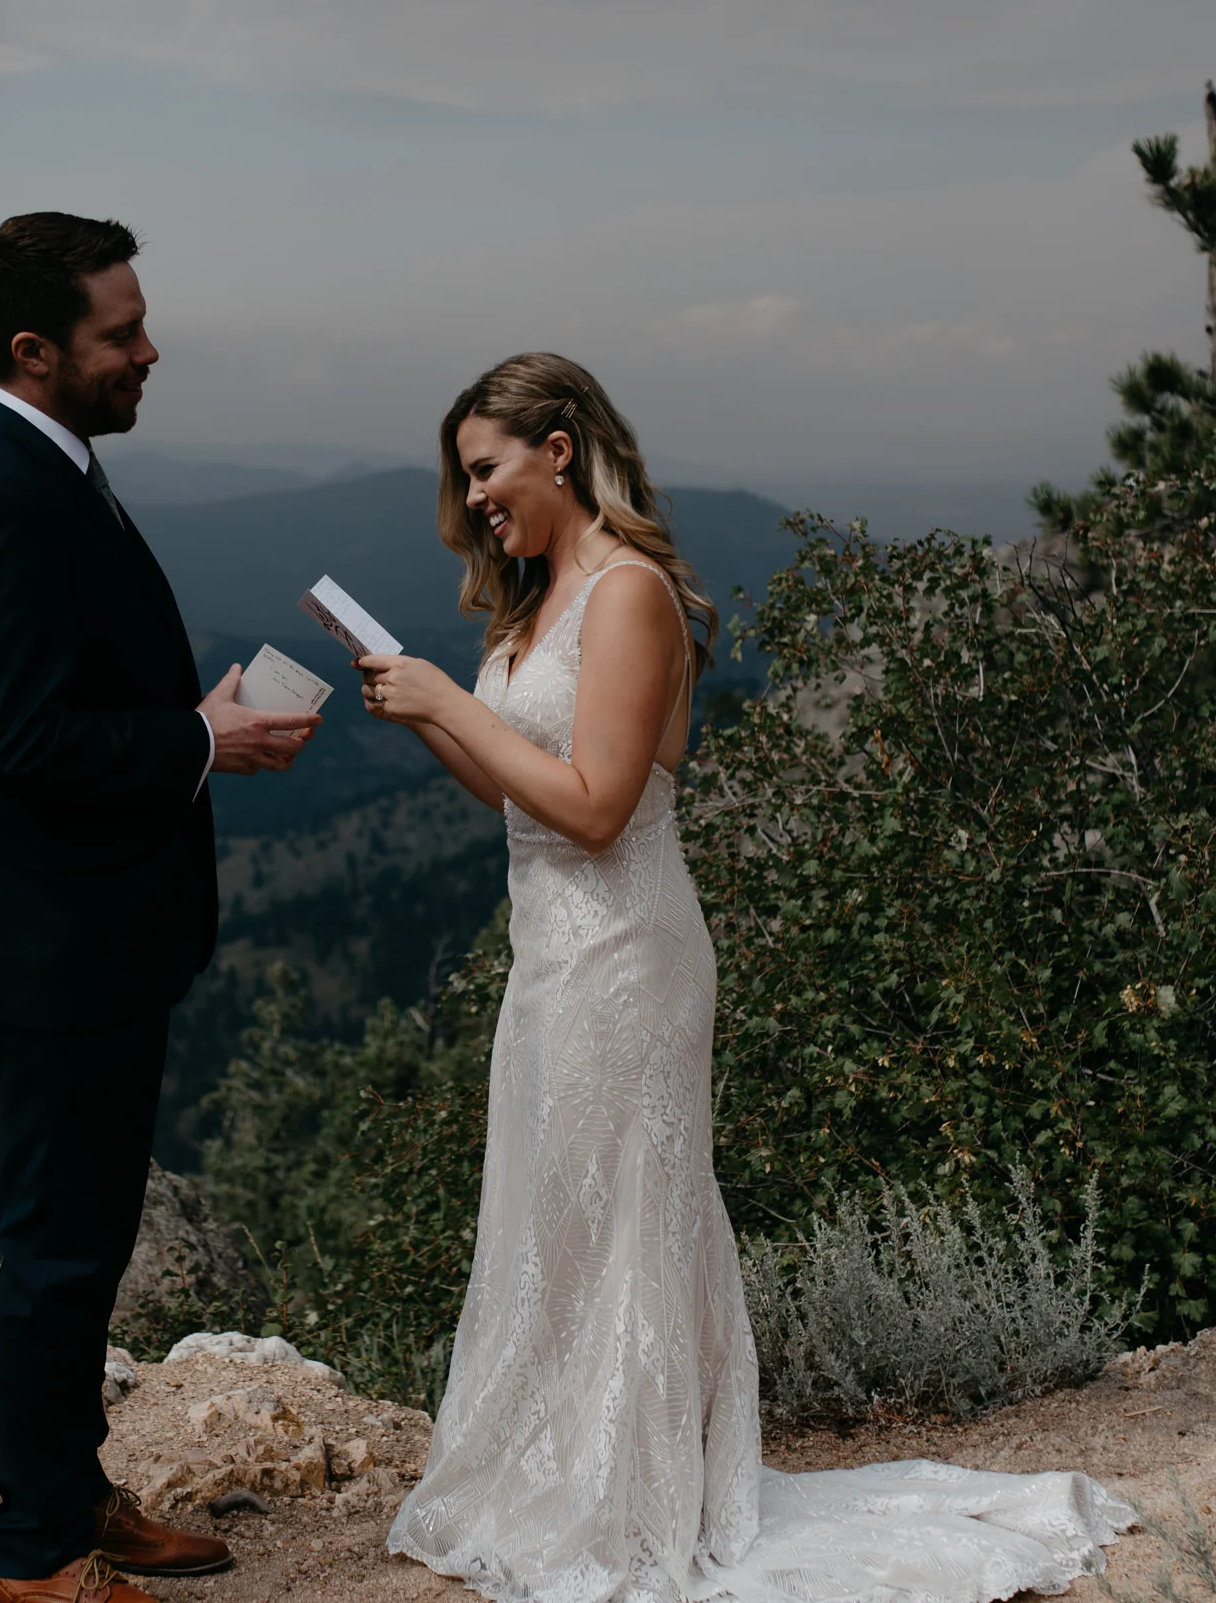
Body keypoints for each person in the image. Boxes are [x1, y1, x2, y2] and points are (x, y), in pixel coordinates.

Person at [357, 352, 1133, 1603]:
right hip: (548, 950)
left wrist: (457, 695)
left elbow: (603, 810)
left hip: (626, 951)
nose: (478, 498)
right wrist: (438, 718)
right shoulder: (538, 595)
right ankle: (565, 1468)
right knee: (559, 1210)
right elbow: (522, 801)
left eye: (487, 468)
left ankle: (636, 1487)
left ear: (559, 447)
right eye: (465, 479)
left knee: (627, 1217)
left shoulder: (629, 595)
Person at [0, 212, 322, 1603]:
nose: (150, 351)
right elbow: (22, 745)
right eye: (120, 334)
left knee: (84, 1248)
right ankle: (33, 1565)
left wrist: (192, 723)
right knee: (54, 1253)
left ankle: (73, 1491)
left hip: (95, 942)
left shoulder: (53, 469)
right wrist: (205, 740)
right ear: (35, 352)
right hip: (51, 957)